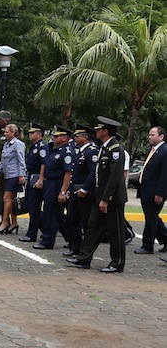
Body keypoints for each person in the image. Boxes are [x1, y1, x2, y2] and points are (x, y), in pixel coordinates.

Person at [67, 116, 127, 273]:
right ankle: (84, 258)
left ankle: (117, 262)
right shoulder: (104, 148)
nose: (96, 132)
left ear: (105, 131)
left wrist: (106, 199)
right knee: (92, 228)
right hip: (99, 196)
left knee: (115, 231)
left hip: (112, 198)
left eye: (99, 129)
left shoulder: (115, 149)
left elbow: (114, 178)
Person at [33, 126, 74, 250]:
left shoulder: (66, 151)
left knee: (50, 213)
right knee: (55, 213)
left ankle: (47, 240)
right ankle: (72, 238)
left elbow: (68, 173)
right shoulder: (56, 150)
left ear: (64, 138)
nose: (53, 138)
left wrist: (63, 191)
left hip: (57, 184)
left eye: (56, 136)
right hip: (49, 183)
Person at [64, 124, 99, 257]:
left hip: (84, 193)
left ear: (85, 137)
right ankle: (75, 248)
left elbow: (92, 173)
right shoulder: (79, 151)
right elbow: (74, 173)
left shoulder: (91, 151)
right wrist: (69, 188)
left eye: (77, 136)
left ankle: (84, 252)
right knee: (71, 220)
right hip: (74, 191)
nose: (75, 138)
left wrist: (85, 189)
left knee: (85, 222)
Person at [135, 126, 167, 255]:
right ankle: (165, 239)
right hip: (146, 190)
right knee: (152, 217)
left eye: (152, 135)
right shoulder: (153, 150)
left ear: (161, 137)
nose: (149, 137)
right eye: (149, 134)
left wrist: (160, 193)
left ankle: (147, 245)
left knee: (151, 219)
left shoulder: (164, 151)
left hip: (155, 192)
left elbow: (164, 175)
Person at [0, 123, 26, 234]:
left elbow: (21, 160)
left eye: (7, 132)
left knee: (6, 198)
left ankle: (5, 222)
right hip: (7, 175)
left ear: (13, 133)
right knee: (11, 199)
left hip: (15, 175)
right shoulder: (7, 144)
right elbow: (2, 162)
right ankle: (14, 223)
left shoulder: (18, 144)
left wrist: (21, 174)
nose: (5, 134)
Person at [20, 122, 48, 243]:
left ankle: (32, 234)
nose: (30, 135)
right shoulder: (34, 146)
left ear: (39, 134)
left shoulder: (42, 146)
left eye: (32, 133)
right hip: (31, 177)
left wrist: (40, 180)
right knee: (30, 206)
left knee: (34, 207)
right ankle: (44, 229)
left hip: (37, 178)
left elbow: (44, 164)